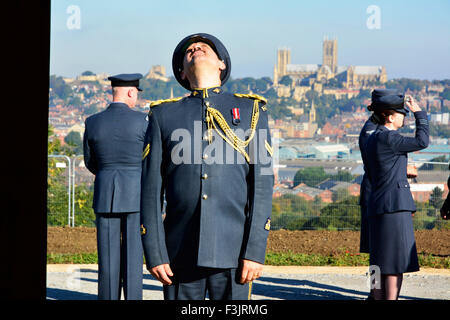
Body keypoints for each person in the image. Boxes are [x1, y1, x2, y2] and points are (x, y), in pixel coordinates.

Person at [140, 33, 274, 300]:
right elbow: (150, 191)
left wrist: (255, 251)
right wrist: (155, 252)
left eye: (204, 47)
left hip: (235, 252)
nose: (196, 48)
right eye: (189, 50)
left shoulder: (252, 111)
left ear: (222, 64)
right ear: (181, 71)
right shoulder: (163, 115)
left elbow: (262, 185)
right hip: (179, 252)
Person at [83, 73, 147, 300]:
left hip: (105, 193)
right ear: (131, 92)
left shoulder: (92, 122)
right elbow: (149, 161)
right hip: (136, 196)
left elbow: (90, 161)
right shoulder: (143, 121)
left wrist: (107, 174)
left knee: (107, 262)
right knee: (133, 258)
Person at [365, 89, 429, 300]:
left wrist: (401, 172)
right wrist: (420, 114)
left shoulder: (373, 139)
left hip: (377, 205)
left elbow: (382, 170)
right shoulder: (390, 138)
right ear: (391, 117)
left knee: (376, 261)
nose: (405, 117)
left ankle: (375, 297)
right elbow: (422, 141)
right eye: (402, 113)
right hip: (395, 207)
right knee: (394, 263)